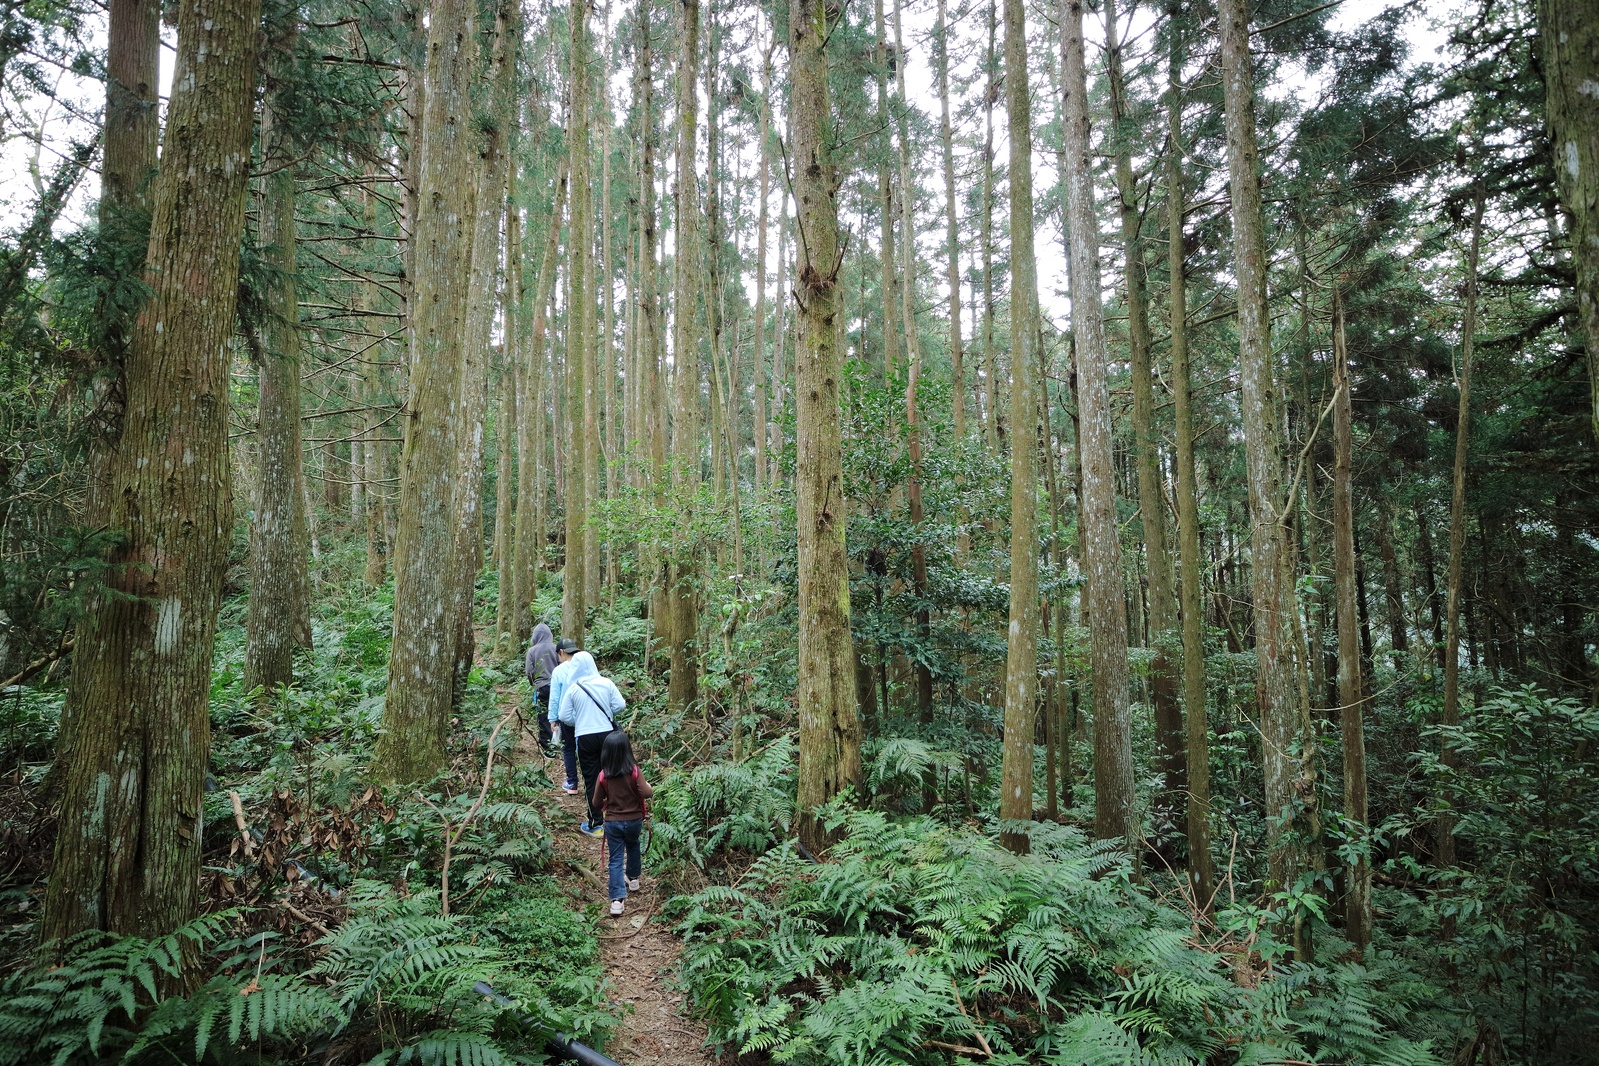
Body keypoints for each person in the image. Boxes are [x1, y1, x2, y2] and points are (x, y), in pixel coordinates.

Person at [554, 650, 626, 837]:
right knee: (611, 774)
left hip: (585, 737)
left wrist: (579, 721)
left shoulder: (573, 688)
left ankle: (596, 824)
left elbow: (564, 716)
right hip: (608, 735)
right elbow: (620, 705)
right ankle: (616, 816)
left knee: (591, 779)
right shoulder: (606, 683)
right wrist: (608, 713)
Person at [592, 730, 652, 917]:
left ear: (606, 753)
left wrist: (607, 801)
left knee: (616, 858)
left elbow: (595, 802)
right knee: (633, 845)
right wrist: (648, 786)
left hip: (613, 822)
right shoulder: (634, 771)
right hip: (634, 821)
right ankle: (633, 879)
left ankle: (617, 900)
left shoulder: (603, 776)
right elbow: (647, 793)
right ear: (627, 750)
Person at [546, 638, 581, 794]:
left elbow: (554, 698)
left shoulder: (559, 671)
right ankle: (592, 783)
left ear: (561, 652)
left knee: (568, 748)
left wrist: (552, 719)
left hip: (566, 716)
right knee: (586, 749)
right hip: (585, 714)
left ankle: (572, 783)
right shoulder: (584, 666)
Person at [524, 623, 559, 757]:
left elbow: (529, 671)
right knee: (557, 715)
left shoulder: (532, 651)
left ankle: (548, 750)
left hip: (541, 687)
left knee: (543, 717)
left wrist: (534, 683)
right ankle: (559, 743)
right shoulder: (556, 648)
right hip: (556, 686)